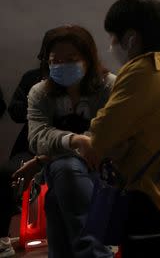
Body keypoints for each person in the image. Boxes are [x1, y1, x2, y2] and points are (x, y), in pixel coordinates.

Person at [80, 0, 160, 256]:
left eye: (113, 37)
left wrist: (99, 138)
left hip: (152, 204)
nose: (111, 44)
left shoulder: (140, 73)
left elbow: (101, 136)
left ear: (131, 38)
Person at [25, 25, 114, 258]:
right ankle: (94, 253)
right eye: (55, 60)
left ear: (88, 59)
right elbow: (36, 136)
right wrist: (77, 140)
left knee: (57, 195)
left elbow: (110, 133)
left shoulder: (109, 86)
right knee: (67, 170)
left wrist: (46, 156)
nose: (62, 65)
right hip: (64, 171)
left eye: (71, 59)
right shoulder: (40, 92)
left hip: (104, 167)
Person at [1, 30, 55, 257]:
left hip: (69, 151)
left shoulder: (86, 82)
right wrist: (37, 103)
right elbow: (14, 111)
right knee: (8, 174)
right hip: (29, 148)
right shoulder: (33, 78)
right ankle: (4, 238)